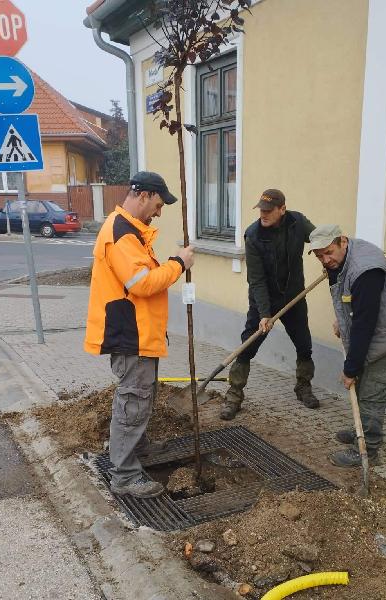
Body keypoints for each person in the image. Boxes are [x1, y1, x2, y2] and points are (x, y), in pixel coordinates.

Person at [84, 171, 195, 498]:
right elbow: (142, 283)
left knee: (140, 398)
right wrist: (179, 263)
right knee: (133, 401)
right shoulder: (122, 233)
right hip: (129, 335)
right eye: (158, 204)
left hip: (139, 333)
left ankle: (137, 447)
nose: (159, 212)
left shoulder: (129, 231)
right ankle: (125, 475)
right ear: (144, 195)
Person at [309, 225, 386, 467]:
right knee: (363, 383)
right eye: (320, 255)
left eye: (329, 252)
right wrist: (341, 319)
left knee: (372, 390)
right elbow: (349, 298)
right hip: (376, 328)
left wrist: (350, 369)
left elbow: (365, 323)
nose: (325, 260)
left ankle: (368, 449)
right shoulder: (343, 259)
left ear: (342, 241)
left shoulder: (365, 270)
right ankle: (360, 428)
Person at [221, 189, 318, 420]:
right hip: (263, 300)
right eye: (261, 210)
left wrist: (328, 256)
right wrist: (265, 313)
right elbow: (257, 279)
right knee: (248, 347)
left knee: (304, 344)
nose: (263, 214)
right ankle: (234, 395)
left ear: (282, 209)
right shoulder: (253, 235)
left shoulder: (297, 222)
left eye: (268, 210)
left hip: (294, 297)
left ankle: (303, 386)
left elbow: (318, 238)